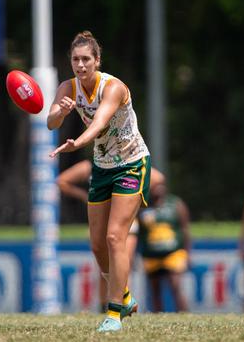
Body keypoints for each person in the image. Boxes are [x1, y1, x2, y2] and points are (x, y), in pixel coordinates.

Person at [48, 31, 150, 332]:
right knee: (97, 245)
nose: (80, 65)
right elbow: (50, 121)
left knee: (115, 237)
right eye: (75, 60)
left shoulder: (113, 87)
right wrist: (60, 112)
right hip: (103, 167)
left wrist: (76, 143)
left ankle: (114, 313)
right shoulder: (68, 87)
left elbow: (100, 121)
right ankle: (126, 296)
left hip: (131, 165)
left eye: (86, 59)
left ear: (97, 61)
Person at [56, 161, 164, 312]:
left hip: (126, 221)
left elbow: (158, 178)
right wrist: (85, 196)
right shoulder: (91, 166)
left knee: (123, 263)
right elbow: (62, 181)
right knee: (104, 267)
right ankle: (104, 307)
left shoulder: (127, 163)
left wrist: (136, 196)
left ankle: (122, 305)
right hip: (102, 219)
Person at [137, 179, 191, 312]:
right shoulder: (143, 206)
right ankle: (157, 315)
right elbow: (137, 232)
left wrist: (187, 252)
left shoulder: (176, 204)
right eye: (155, 186)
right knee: (155, 289)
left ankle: (184, 314)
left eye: (160, 186)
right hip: (151, 254)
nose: (158, 189)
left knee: (175, 285)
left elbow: (185, 229)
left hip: (173, 252)